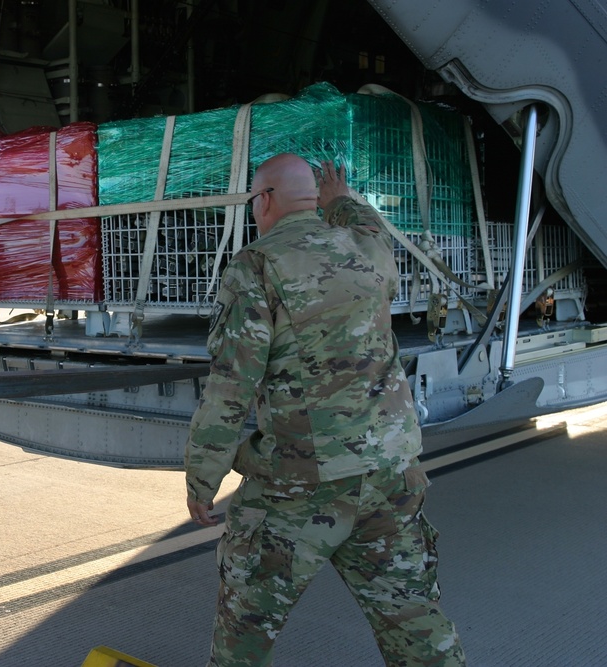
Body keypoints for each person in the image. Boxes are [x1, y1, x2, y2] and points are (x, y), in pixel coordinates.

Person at [184, 155, 466, 666]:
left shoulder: (257, 265)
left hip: (299, 489)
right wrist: (341, 201)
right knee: (415, 624)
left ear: (263, 201)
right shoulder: (370, 251)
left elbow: (231, 389)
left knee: (244, 631)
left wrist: (202, 478)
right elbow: (366, 223)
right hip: (390, 475)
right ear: (313, 201)